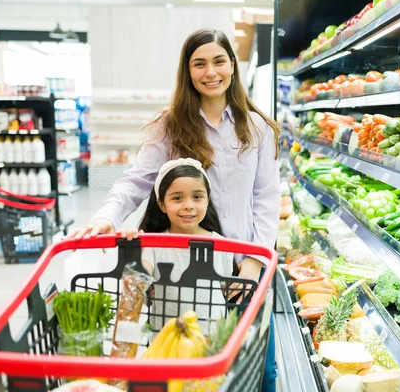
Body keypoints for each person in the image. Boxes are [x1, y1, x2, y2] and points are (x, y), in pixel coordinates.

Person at [68, 28, 280, 391]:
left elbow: (266, 197)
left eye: (219, 61)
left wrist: (254, 261)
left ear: (232, 65)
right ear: (188, 71)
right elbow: (136, 180)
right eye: (200, 64)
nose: (210, 72)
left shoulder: (256, 126)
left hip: (244, 266)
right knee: (189, 368)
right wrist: (106, 217)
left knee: (259, 368)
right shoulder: (171, 125)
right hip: (185, 270)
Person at [116, 158, 236, 331]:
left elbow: (223, 290)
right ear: (162, 205)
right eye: (177, 198)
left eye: (197, 197)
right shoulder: (156, 245)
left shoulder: (222, 245)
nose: (188, 206)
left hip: (211, 344)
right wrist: (134, 252)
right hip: (166, 344)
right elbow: (137, 283)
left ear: (207, 200)